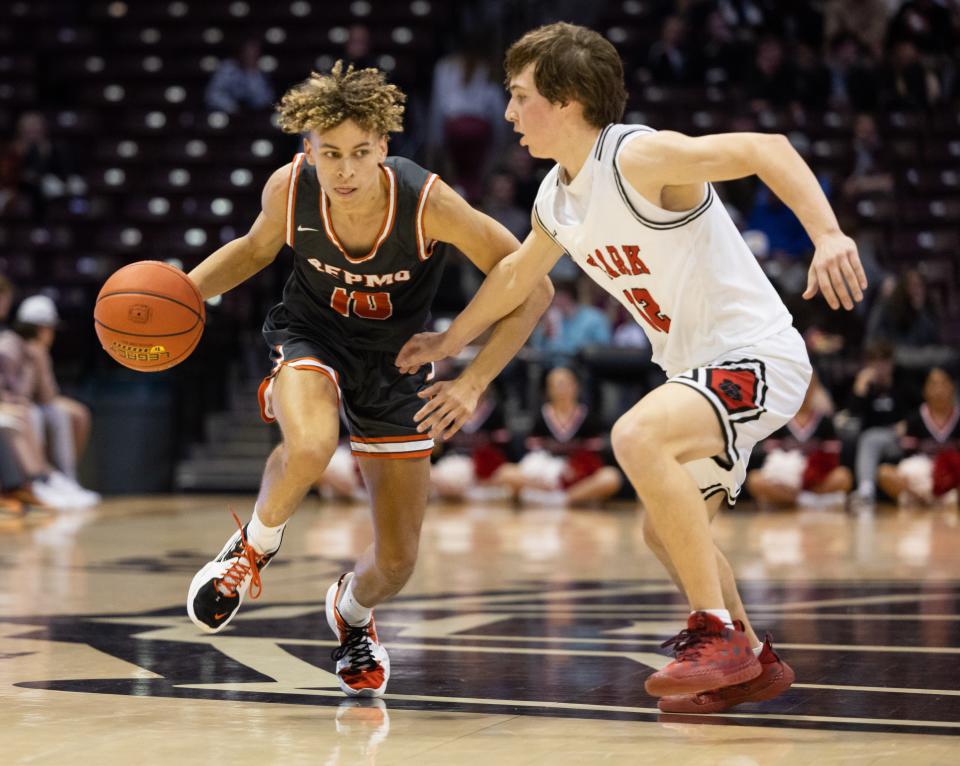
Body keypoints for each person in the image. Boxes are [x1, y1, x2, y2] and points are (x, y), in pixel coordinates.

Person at [396, 22, 867, 713]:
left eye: (519, 96)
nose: (507, 114)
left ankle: (716, 633)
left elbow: (768, 149)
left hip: (755, 355)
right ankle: (752, 660)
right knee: (663, 530)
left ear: (566, 101)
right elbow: (517, 276)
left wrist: (828, 235)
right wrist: (451, 343)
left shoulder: (637, 157)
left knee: (635, 437)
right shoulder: (557, 197)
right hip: (697, 373)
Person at [184, 62, 552, 698]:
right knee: (310, 445)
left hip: (397, 362)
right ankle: (252, 548)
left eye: (360, 152)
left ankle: (351, 615)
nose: (345, 170)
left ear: (385, 147)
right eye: (330, 154)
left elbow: (533, 285)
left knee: (396, 563)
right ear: (309, 150)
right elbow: (250, 252)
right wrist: (178, 297)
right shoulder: (291, 188)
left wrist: (465, 367)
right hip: (312, 336)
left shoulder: (427, 201)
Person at [492, 366, 622, 507]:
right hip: (544, 475)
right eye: (556, 384)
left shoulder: (588, 417)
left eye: (565, 383)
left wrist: (575, 471)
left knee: (611, 477)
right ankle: (557, 496)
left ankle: (564, 499)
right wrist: (541, 479)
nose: (562, 389)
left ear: (575, 386)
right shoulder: (540, 416)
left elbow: (595, 457)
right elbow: (532, 455)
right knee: (505, 473)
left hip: (577, 477)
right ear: (548, 390)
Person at [746, 372, 852, 508]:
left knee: (844, 476)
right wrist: (791, 473)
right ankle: (807, 501)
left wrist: (810, 473)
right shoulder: (780, 418)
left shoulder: (824, 420)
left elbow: (832, 458)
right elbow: (771, 457)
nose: (804, 391)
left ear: (814, 388)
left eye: (808, 386)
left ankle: (788, 501)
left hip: (816, 479)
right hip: (786, 478)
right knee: (754, 479)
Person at [876, 367, 960, 506]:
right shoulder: (915, 418)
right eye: (933, 384)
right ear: (925, 389)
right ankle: (927, 498)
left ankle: (924, 501)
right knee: (884, 473)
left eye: (943, 383)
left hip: (950, 477)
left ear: (952, 387)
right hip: (923, 475)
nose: (938, 389)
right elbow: (908, 458)